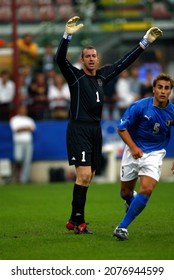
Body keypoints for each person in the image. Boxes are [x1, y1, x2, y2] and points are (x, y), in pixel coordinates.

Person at [55, 15, 162, 234]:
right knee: (83, 176)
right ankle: (78, 221)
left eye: (94, 56)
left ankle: (74, 219)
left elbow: (124, 62)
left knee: (89, 176)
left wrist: (145, 42)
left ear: (98, 58)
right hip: (78, 128)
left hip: (95, 130)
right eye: (88, 57)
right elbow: (59, 59)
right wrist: (67, 36)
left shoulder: (103, 76)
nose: (92, 59)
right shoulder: (75, 76)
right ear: (82, 60)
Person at [113, 73, 174, 241]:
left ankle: (122, 227)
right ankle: (130, 200)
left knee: (147, 189)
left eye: (167, 88)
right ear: (153, 89)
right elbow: (121, 128)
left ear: (170, 91)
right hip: (133, 151)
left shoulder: (172, 112)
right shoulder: (139, 106)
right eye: (160, 87)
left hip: (154, 153)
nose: (163, 91)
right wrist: (133, 147)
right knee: (125, 192)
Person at [10, 105, 36, 184]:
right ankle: (17, 174)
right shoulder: (14, 119)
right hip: (18, 142)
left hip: (28, 142)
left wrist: (22, 128)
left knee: (27, 161)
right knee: (18, 158)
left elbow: (32, 129)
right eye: (21, 109)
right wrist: (26, 128)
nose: (23, 111)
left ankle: (23, 180)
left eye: (24, 109)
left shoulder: (29, 120)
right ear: (18, 110)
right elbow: (16, 129)